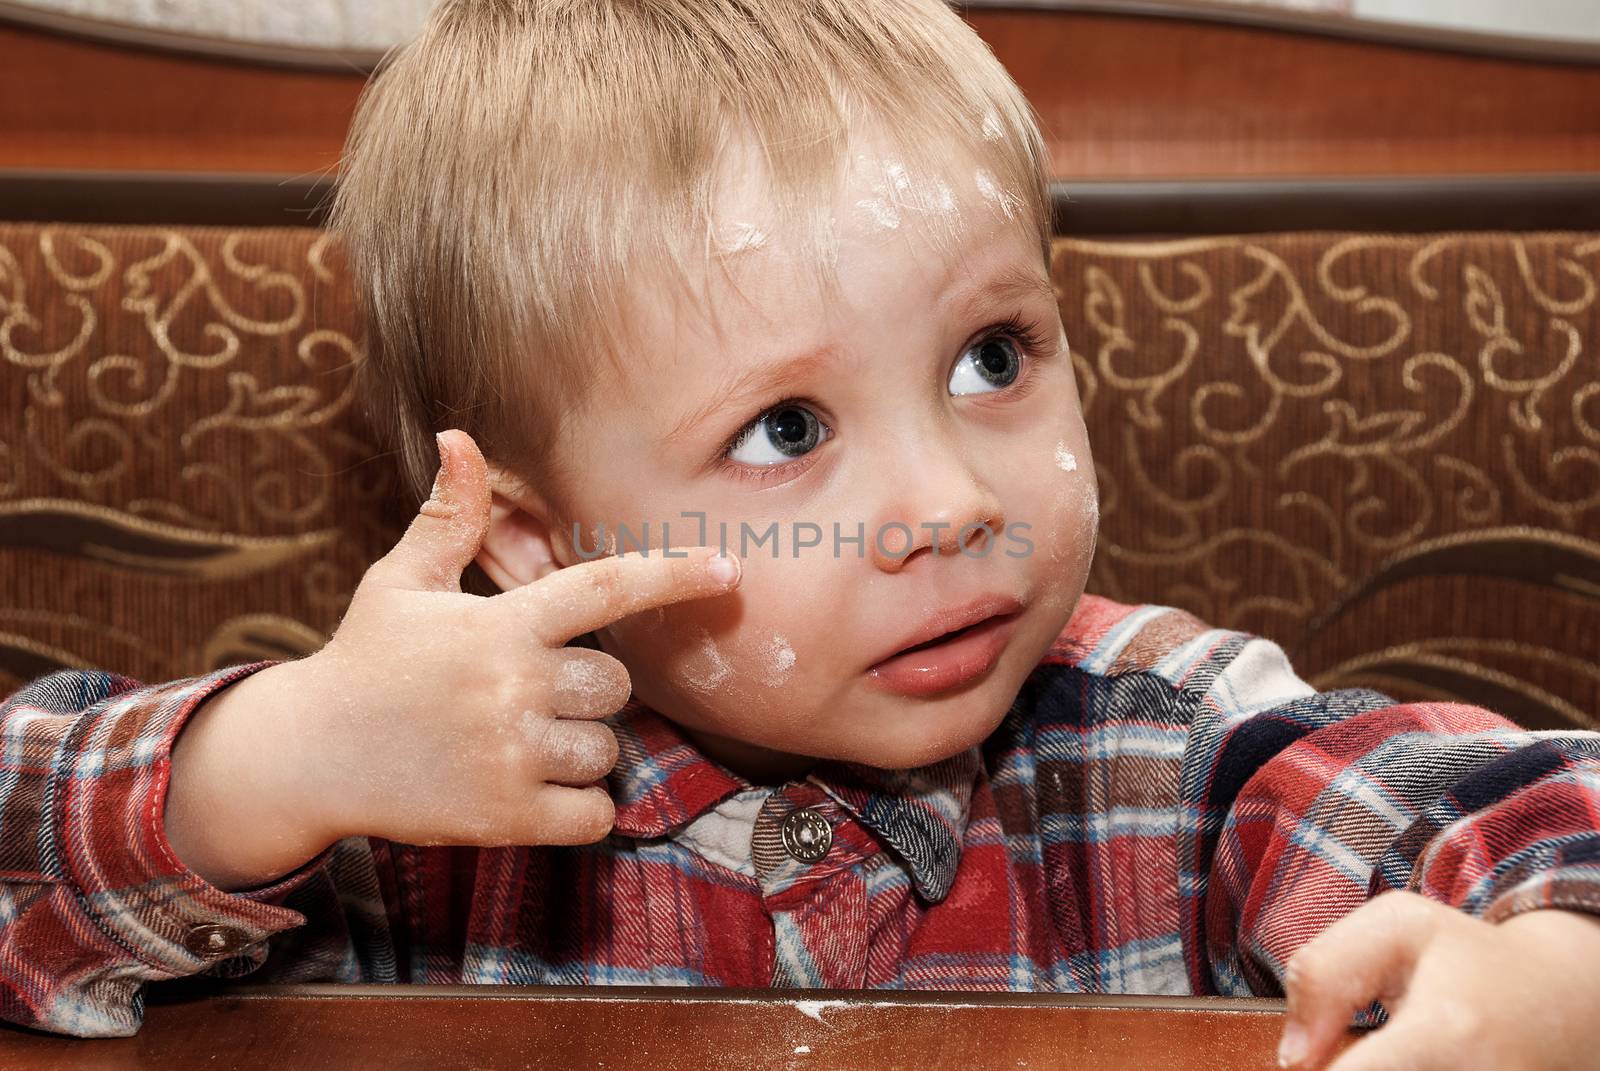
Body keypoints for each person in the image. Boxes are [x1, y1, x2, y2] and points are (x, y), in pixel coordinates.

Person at [4, 1, 1599, 1066]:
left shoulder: (1169, 750)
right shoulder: (415, 795)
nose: (953, 503)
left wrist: (1553, 977)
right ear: (545, 551)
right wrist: (263, 772)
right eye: (788, 430)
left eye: (993, 358)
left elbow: (1514, 814)